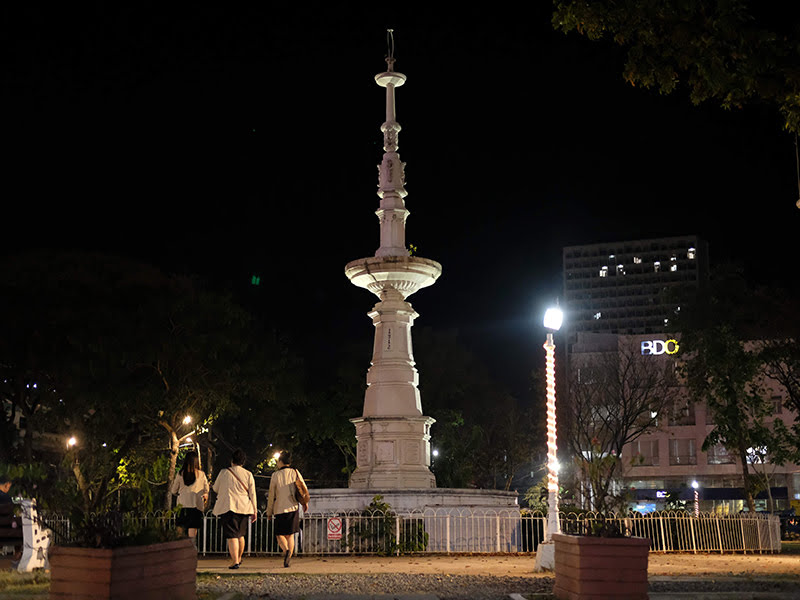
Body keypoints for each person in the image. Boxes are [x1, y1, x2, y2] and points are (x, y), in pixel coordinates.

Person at [212, 448, 257, 569]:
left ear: (232, 460)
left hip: (229, 506)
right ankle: (239, 558)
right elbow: (253, 494)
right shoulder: (248, 474)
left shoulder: (224, 473)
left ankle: (235, 561)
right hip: (244, 507)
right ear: (243, 461)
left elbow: (215, 488)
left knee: (232, 535)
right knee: (240, 535)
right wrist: (255, 510)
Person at [266, 451, 308, 568]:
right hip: (293, 507)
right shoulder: (295, 472)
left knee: (280, 535)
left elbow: (271, 495)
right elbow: (303, 489)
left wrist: (269, 512)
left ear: (280, 462)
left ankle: (286, 551)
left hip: (279, 508)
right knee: (290, 535)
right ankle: (289, 555)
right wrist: (305, 503)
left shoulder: (275, 475)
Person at [169, 451, 209, 547]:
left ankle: (179, 550)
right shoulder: (201, 474)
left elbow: (173, 490)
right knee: (192, 531)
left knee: (180, 529)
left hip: (182, 506)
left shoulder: (180, 474)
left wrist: (180, 493)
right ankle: (190, 550)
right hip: (195, 506)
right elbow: (206, 489)